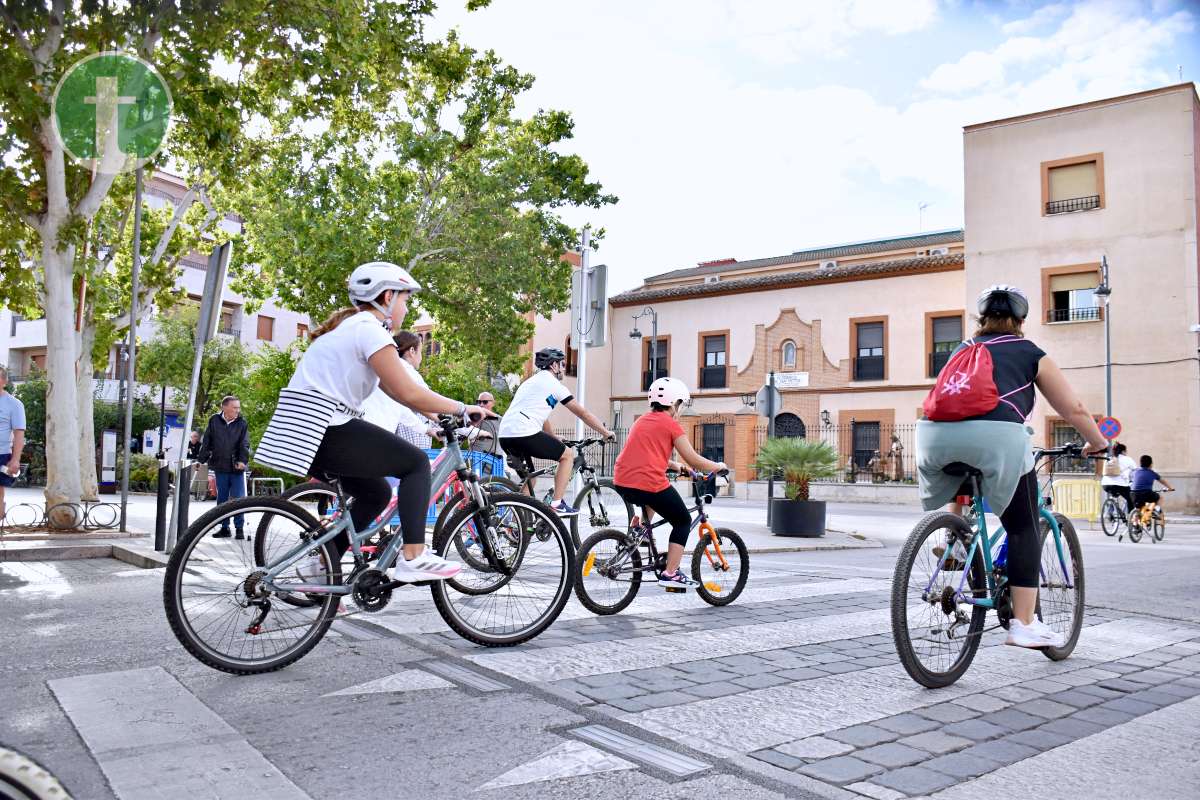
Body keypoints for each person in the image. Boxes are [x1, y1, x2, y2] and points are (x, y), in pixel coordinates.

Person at [917, 285, 1107, 650]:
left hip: (933, 438)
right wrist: (1098, 441)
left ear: (981, 319)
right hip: (998, 438)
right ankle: (1023, 623)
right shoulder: (1030, 352)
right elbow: (1074, 410)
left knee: (964, 464)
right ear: (1021, 320)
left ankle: (955, 538)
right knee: (1022, 527)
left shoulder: (962, 349)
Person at [285, 261, 489, 581]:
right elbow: (407, 390)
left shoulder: (352, 327)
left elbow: (394, 390)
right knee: (417, 464)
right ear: (388, 297)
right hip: (325, 426)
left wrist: (437, 417)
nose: (407, 308)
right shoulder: (369, 329)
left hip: (302, 430)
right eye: (406, 300)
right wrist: (463, 408)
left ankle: (321, 568)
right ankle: (413, 556)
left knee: (376, 494)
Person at [612, 377, 727, 589]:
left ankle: (640, 530)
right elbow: (693, 458)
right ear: (674, 403)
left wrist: (678, 467)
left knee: (651, 495)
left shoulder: (641, 421)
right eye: (681, 403)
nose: (680, 408)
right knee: (682, 520)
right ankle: (671, 573)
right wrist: (717, 466)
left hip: (622, 480)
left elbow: (647, 454)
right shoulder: (671, 425)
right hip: (647, 482)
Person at [498, 347, 614, 516]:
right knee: (567, 456)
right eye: (562, 364)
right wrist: (605, 432)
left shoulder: (530, 383)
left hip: (506, 435)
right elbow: (583, 413)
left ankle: (519, 524)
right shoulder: (554, 385)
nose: (563, 368)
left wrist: (552, 437)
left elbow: (542, 417)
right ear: (553, 365)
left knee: (531, 478)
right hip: (524, 432)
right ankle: (557, 503)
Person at [361, 331, 441, 448]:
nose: (421, 358)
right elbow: (433, 402)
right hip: (375, 434)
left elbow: (401, 410)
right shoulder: (406, 371)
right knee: (420, 460)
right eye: (421, 352)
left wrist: (426, 430)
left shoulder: (387, 368)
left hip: (370, 433)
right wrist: (462, 410)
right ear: (412, 351)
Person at [198, 396, 252, 538]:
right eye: (235, 408)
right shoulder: (214, 420)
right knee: (222, 498)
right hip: (220, 465)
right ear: (224, 407)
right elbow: (207, 441)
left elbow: (245, 443)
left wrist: (242, 460)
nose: (237, 410)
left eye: (238, 408)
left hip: (236, 466)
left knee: (238, 499)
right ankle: (224, 527)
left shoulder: (242, 423)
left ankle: (239, 528)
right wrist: (201, 460)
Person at [0, 366, 27, 521]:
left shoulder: (14, 404)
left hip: (1, 454)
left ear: (4, 381)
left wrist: (16, 459)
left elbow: (19, 433)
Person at [1099, 441, 1136, 514]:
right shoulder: (1128, 459)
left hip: (1105, 485)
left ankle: (1111, 506)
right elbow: (1135, 471)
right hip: (1121, 485)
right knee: (1130, 499)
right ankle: (1130, 519)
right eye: (1126, 451)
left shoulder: (1109, 459)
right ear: (1123, 451)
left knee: (1114, 493)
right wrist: (1132, 480)